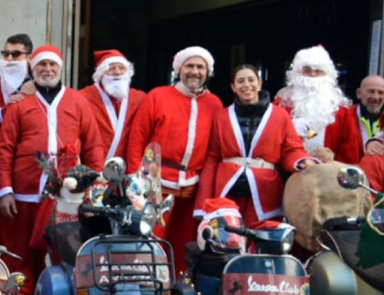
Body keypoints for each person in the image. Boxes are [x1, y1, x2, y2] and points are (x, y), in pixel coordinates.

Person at [0, 45, 104, 295]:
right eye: (42, 65)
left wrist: (94, 183)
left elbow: (93, 145)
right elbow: (4, 149)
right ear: (33, 68)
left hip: (69, 191)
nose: (47, 69)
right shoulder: (20, 103)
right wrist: (5, 190)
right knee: (21, 247)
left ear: (60, 67)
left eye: (52, 65)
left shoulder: (78, 101)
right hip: (26, 188)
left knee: (67, 246)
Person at [125, 46, 223, 275]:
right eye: (189, 66)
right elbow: (138, 139)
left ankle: (179, 291)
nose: (194, 72)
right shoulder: (157, 96)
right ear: (179, 69)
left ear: (207, 72)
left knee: (186, 242)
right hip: (156, 180)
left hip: (194, 185)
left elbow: (214, 149)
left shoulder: (215, 103)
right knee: (151, 239)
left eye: (200, 67)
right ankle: (151, 288)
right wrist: (135, 179)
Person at [195, 64, 316, 227]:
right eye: (240, 81)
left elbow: (292, 149)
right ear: (233, 87)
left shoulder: (280, 115)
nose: (246, 85)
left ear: (259, 83)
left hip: (265, 191)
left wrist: (302, 161)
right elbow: (213, 158)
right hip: (227, 190)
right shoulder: (221, 116)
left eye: (251, 80)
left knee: (258, 243)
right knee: (228, 243)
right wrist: (203, 201)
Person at [0, 33, 33, 251]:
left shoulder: (40, 85)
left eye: (16, 54)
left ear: (29, 57)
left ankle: (27, 279)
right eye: (6, 53)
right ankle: (0, 275)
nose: (9, 58)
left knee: (28, 231)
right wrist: (4, 111)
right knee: (0, 225)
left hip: (28, 171)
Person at [275, 45, 361, 164]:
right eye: (307, 70)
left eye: (318, 70)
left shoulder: (342, 112)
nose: (312, 74)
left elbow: (350, 155)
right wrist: (288, 128)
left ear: (327, 75)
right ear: (297, 74)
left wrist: (332, 159)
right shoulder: (280, 106)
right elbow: (268, 145)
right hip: (288, 176)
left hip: (326, 177)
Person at [79, 50, 146, 160]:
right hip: (93, 168)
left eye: (121, 68)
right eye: (111, 68)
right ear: (101, 73)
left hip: (128, 169)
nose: (117, 72)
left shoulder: (140, 98)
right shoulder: (83, 97)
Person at [353, 75, 384, 155]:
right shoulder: (343, 117)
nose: (376, 97)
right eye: (371, 91)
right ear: (358, 93)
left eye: (380, 92)